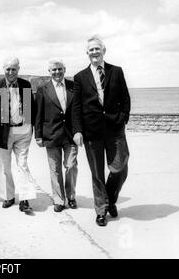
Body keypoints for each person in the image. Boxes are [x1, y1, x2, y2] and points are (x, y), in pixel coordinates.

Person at [72, 36, 130, 226]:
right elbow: (77, 107)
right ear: (87, 53)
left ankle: (110, 198)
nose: (94, 52)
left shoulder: (116, 71)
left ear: (104, 51)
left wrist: (122, 119)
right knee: (97, 173)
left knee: (120, 168)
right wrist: (78, 131)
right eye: (91, 50)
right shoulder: (80, 77)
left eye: (97, 49)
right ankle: (101, 210)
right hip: (92, 132)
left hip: (115, 130)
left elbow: (125, 99)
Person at [0, 57, 37, 213]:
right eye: (8, 69)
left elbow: (31, 108)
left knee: (22, 165)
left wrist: (32, 127)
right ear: (4, 70)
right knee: (5, 167)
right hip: (3, 133)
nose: (10, 72)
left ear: (18, 69)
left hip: (23, 131)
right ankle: (8, 196)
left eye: (13, 69)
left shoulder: (26, 85)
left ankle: (25, 199)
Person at [35, 59, 78, 213]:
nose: (57, 72)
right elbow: (38, 114)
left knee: (71, 166)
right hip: (50, 134)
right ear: (49, 72)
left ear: (64, 70)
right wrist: (38, 135)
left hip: (70, 135)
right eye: (54, 70)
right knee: (55, 170)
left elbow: (77, 112)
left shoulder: (73, 87)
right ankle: (59, 200)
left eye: (60, 69)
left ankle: (71, 196)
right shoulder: (42, 89)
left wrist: (79, 132)